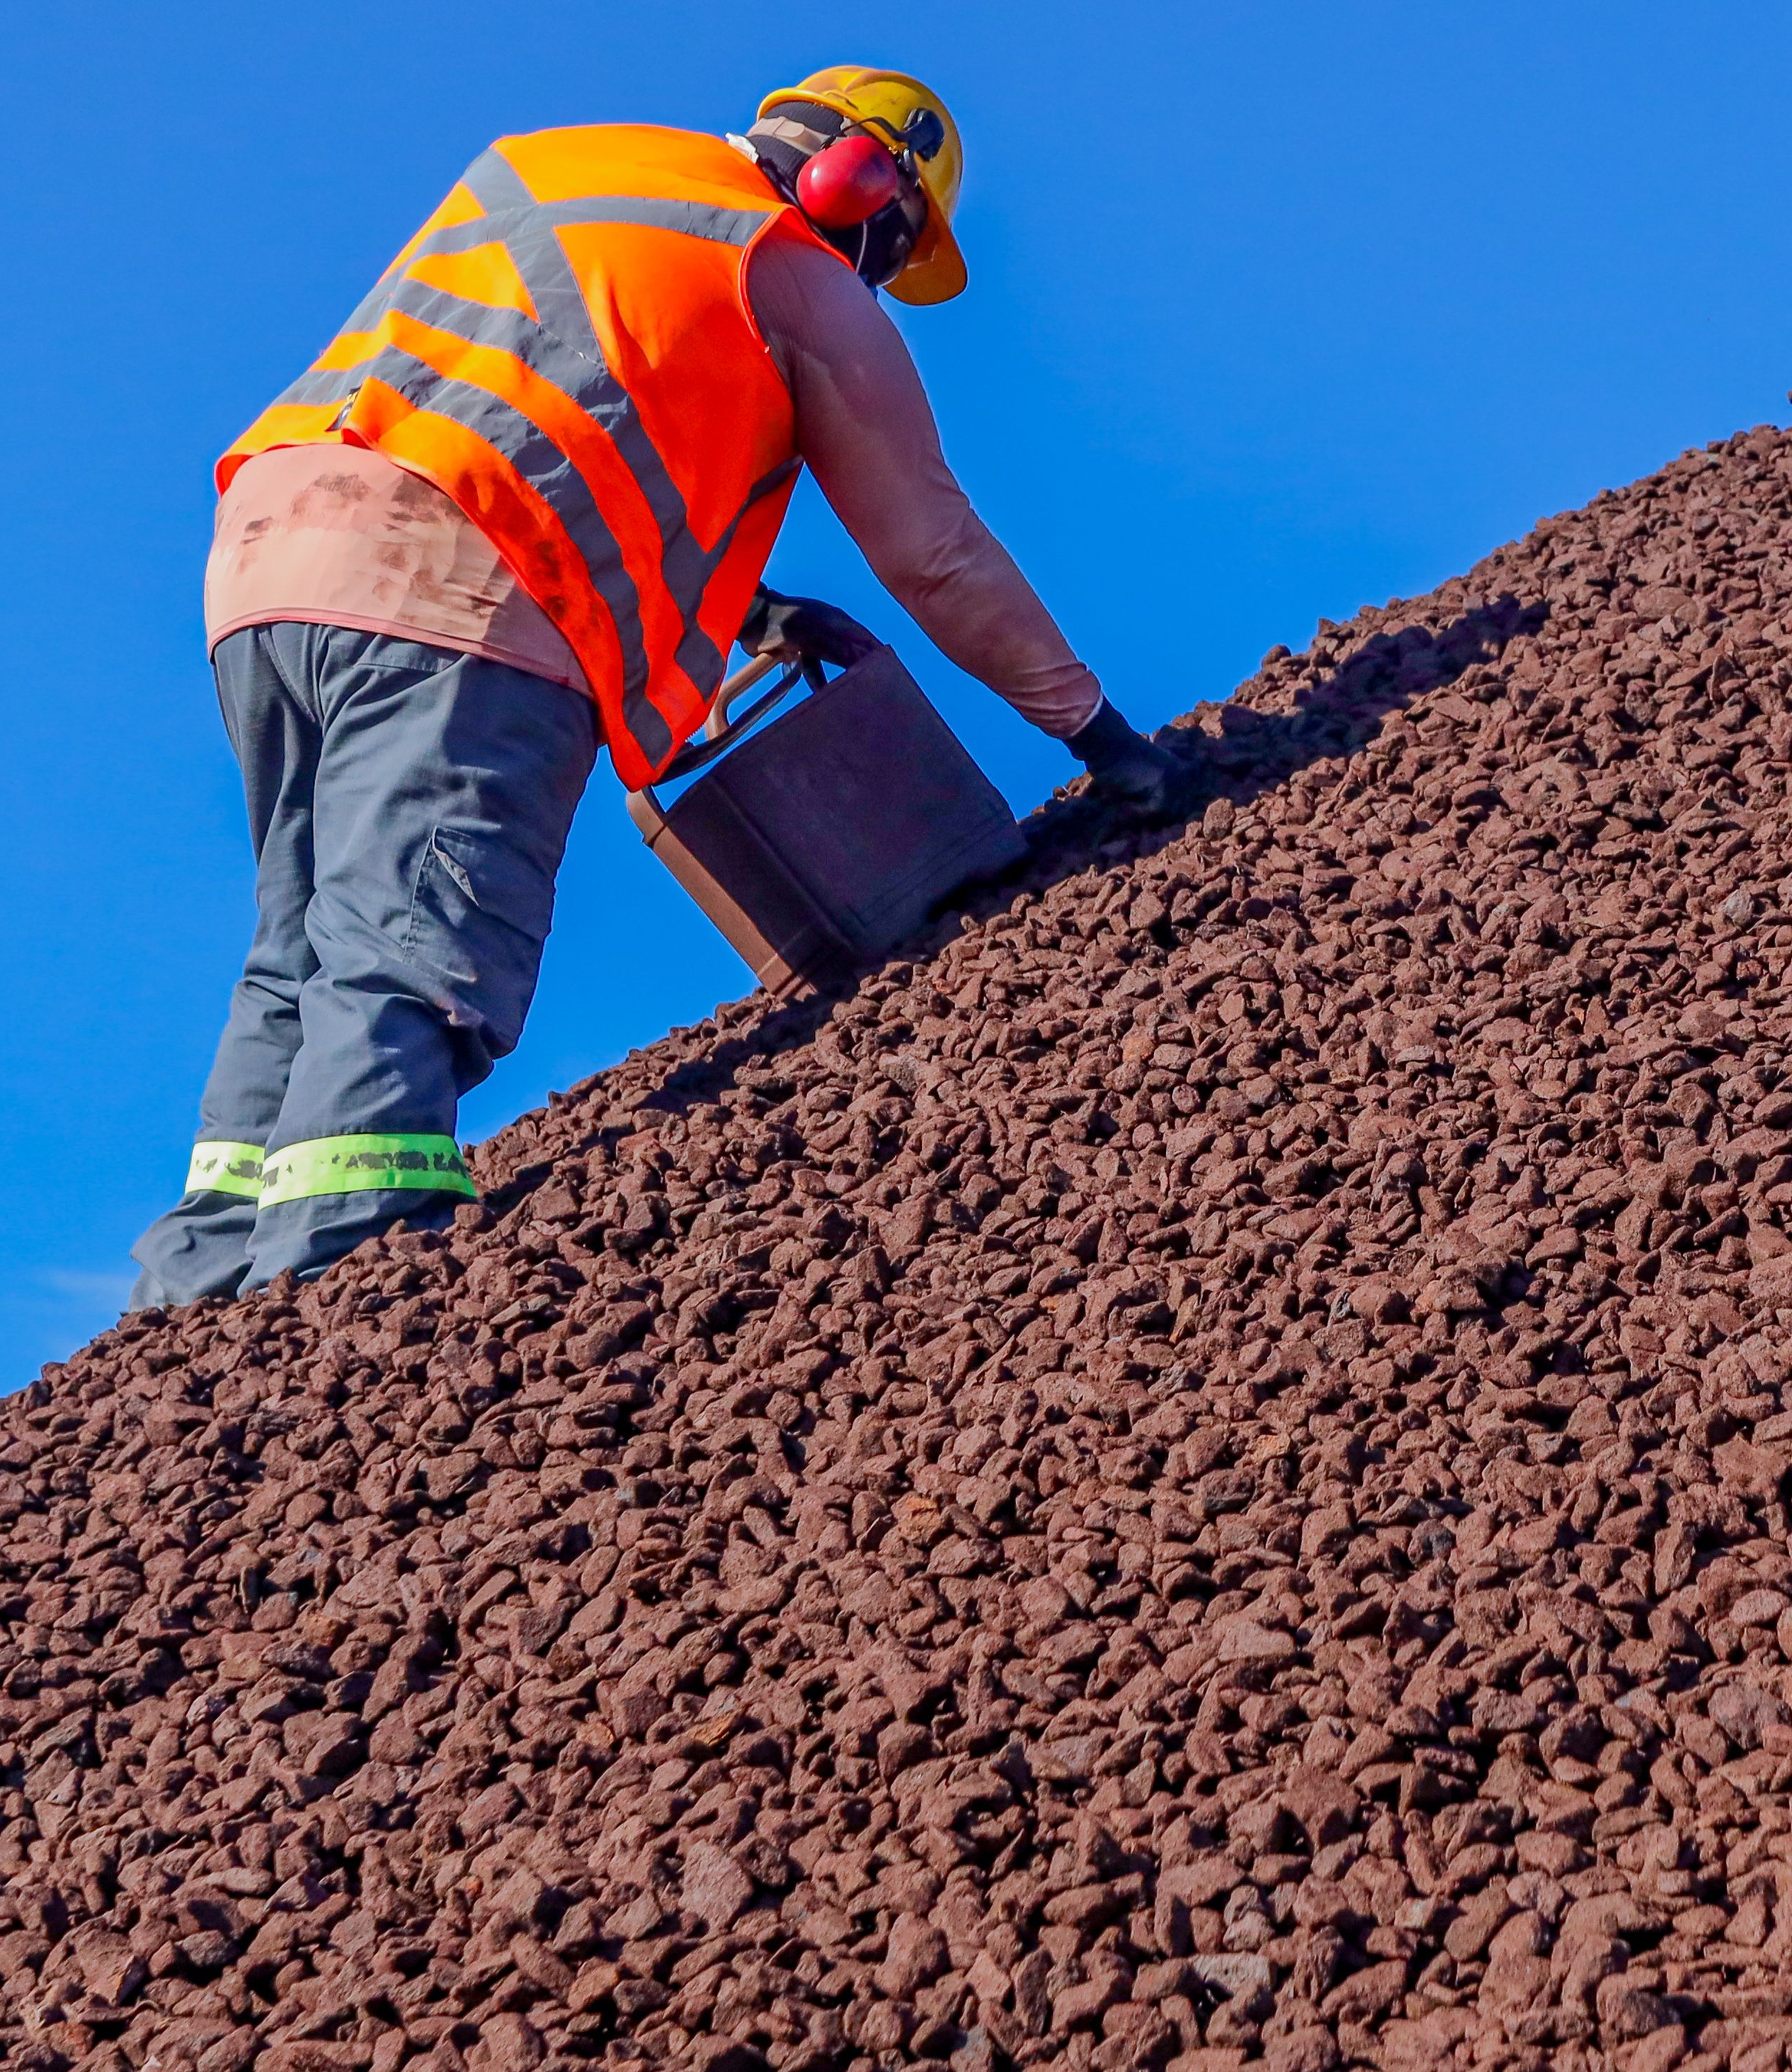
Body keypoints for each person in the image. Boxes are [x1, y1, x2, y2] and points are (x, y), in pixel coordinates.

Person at [125, 67, 1166, 1311]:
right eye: (889, 246)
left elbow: (545, 387)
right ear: (863, 185)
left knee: (299, 938)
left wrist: (746, 605)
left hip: (271, 562)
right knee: (410, 940)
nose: (878, 276)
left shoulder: (573, 165)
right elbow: (932, 552)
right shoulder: (789, 262)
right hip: (460, 597)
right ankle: (345, 1274)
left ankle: (197, 1294)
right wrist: (1098, 735)